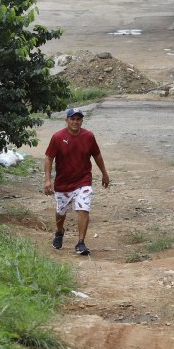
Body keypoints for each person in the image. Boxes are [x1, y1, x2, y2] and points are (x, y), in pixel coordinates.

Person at [43, 107, 110, 256]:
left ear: (82, 121)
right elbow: (49, 158)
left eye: (78, 119)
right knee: (61, 211)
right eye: (72, 119)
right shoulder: (57, 137)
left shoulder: (88, 136)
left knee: (83, 207)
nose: (75, 122)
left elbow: (97, 155)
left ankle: (81, 242)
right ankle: (59, 232)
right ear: (67, 120)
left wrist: (104, 173)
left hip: (83, 180)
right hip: (63, 182)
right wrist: (48, 180)